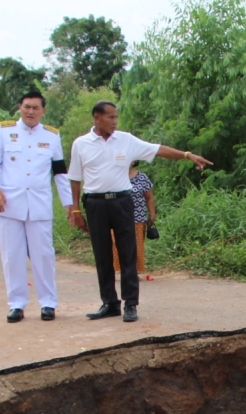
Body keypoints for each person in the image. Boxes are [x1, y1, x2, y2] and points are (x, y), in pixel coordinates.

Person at [68, 100, 211, 322]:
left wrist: (186, 155)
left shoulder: (126, 140)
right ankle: (109, 303)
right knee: (102, 254)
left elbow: (157, 149)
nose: (115, 122)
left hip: (122, 202)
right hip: (95, 203)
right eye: (111, 117)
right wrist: (76, 210)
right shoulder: (81, 144)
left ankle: (130, 304)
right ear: (97, 118)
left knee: (128, 253)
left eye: (116, 117)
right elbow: (75, 179)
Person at [0, 91, 76, 323]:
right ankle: (16, 304)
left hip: (38, 205)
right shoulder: (5, 131)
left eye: (36, 107)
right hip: (9, 204)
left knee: (44, 256)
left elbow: (60, 173)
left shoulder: (52, 136)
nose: (31, 111)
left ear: (43, 111)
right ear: (19, 108)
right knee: (12, 256)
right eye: (27, 106)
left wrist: (69, 204)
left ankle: (48, 303)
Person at [110, 161, 154, 274]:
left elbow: (149, 198)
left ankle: (134, 271)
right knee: (116, 244)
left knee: (137, 246)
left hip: (138, 217)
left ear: (134, 161)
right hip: (117, 217)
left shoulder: (142, 177)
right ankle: (121, 270)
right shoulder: (113, 176)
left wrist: (152, 215)